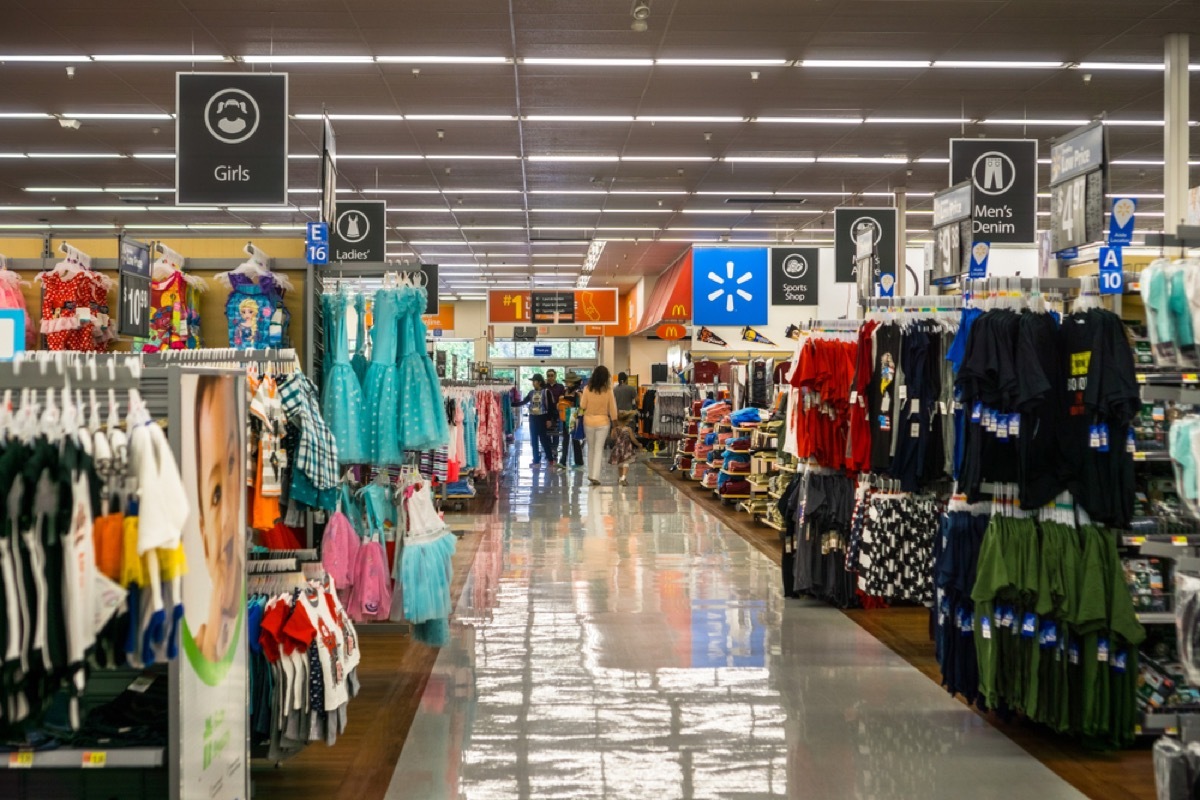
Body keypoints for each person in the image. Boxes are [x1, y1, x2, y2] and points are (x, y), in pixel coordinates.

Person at [193, 375, 246, 662]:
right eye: (215, 494)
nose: (228, 514)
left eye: (233, 464)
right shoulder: (194, 652)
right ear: (203, 539)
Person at [579, 365, 618, 485]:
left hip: (588, 422)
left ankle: (591, 474)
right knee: (598, 449)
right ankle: (595, 476)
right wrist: (615, 425)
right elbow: (613, 409)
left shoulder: (587, 389)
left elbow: (582, 406)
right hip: (603, 423)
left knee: (591, 449)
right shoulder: (609, 390)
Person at [513, 374, 556, 468]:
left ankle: (550, 459)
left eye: (534, 381)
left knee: (544, 439)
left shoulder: (546, 392)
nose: (533, 383)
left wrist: (549, 419)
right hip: (533, 418)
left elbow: (551, 407)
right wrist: (512, 404)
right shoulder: (531, 392)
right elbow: (524, 402)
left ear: (539, 382)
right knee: (534, 440)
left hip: (542, 417)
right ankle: (536, 460)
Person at [609, 410, 643, 486]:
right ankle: (623, 478)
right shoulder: (628, 429)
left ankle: (621, 478)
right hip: (626, 448)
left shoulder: (614, 429)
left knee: (620, 464)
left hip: (617, 448)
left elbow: (612, 438)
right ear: (626, 421)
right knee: (626, 464)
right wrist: (638, 444)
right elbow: (633, 439)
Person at [558, 371, 584, 469]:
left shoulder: (578, 391)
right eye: (567, 381)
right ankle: (565, 461)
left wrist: (564, 397)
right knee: (566, 439)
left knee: (574, 439)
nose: (567, 383)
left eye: (569, 381)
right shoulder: (566, 390)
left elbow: (573, 400)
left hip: (573, 415)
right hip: (566, 415)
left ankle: (574, 461)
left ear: (573, 382)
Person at [545, 369, 565, 462]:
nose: (550, 377)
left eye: (552, 375)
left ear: (555, 376)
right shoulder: (544, 387)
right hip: (547, 413)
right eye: (548, 375)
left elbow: (563, 400)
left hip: (557, 413)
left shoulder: (560, 387)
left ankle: (554, 449)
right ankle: (549, 450)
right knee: (547, 432)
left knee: (556, 433)